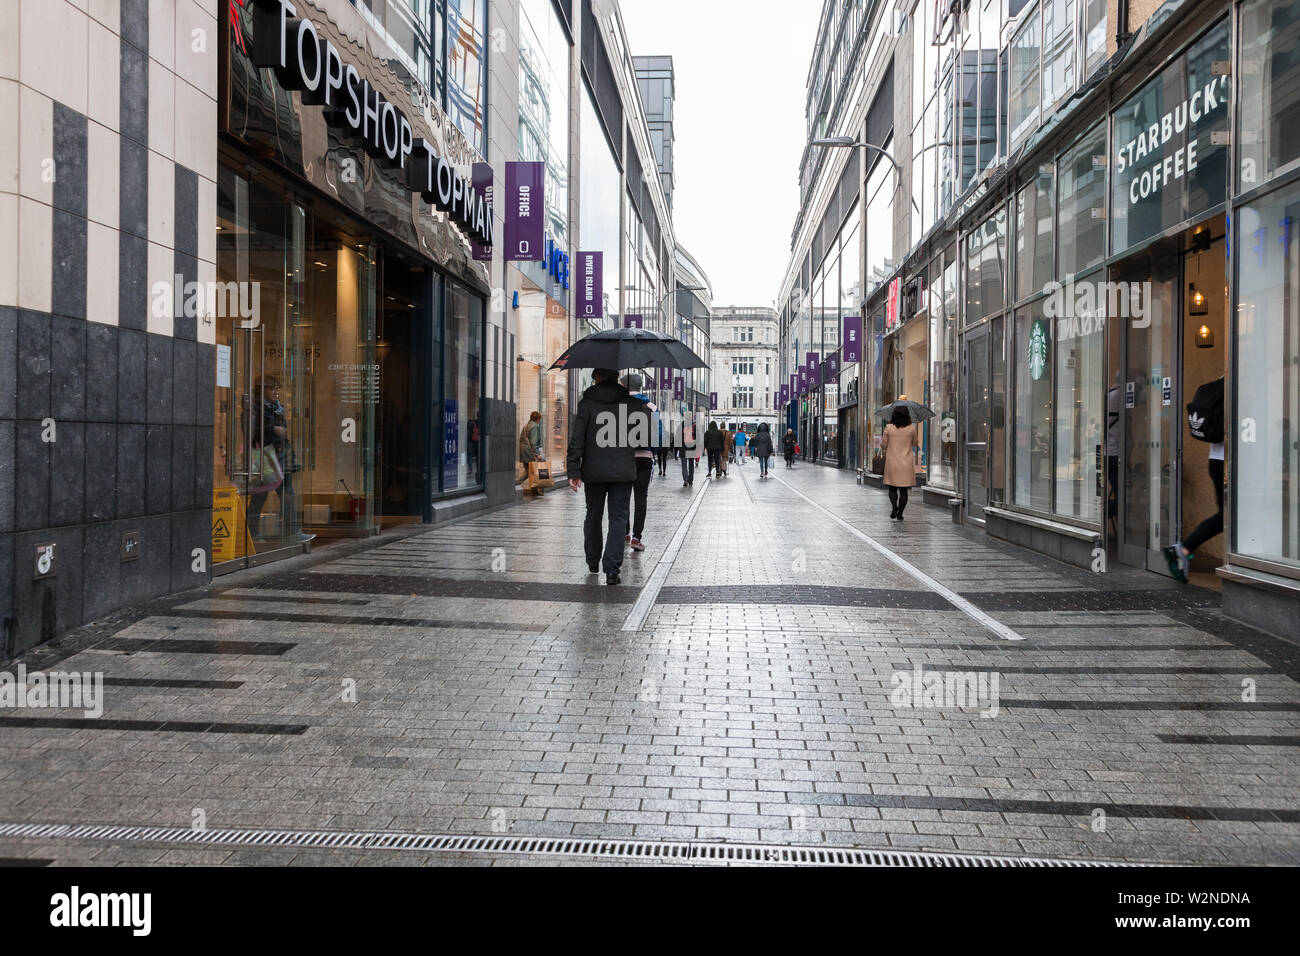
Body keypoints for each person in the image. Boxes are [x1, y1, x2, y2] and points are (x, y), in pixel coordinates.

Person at [567, 369, 648, 585]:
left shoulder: (587, 403)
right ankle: (612, 570)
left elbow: (577, 438)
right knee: (618, 518)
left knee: (593, 514)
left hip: (593, 470)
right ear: (617, 377)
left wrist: (573, 470)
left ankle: (593, 561)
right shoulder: (631, 404)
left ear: (597, 378)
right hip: (622, 470)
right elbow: (641, 436)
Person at [1164, 376, 1225, 583]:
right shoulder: (1242, 382)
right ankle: (1183, 548)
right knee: (1228, 515)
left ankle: (1184, 548)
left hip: (1216, 459)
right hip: (1233, 461)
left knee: (1228, 515)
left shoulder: (1218, 382)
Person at [245, 375, 312, 544]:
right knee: (260, 496)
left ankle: (292, 531)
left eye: (277, 388)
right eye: (272, 388)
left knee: (287, 494)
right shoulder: (255, 408)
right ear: (262, 390)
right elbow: (250, 431)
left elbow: (284, 435)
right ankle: (251, 533)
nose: (276, 392)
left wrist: (290, 456)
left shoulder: (277, 408)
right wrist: (272, 429)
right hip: (266, 459)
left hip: (281, 457)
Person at [623, 374, 654, 552]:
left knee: (624, 496)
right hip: (645, 457)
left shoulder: (620, 405)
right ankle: (637, 537)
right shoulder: (651, 406)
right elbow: (659, 435)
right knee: (641, 497)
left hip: (625, 457)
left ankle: (625, 533)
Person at [881, 406, 918, 520]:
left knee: (892, 488)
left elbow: (883, 444)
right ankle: (900, 513)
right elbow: (915, 443)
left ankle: (894, 507)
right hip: (906, 463)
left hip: (892, 463)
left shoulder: (889, 427)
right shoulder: (911, 428)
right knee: (904, 490)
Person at [519, 410, 545, 496]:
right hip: (529, 453)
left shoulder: (527, 425)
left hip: (524, 452)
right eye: (539, 419)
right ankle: (515, 484)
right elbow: (534, 442)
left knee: (531, 471)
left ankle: (535, 490)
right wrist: (538, 454)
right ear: (537, 419)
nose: (539, 421)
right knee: (529, 472)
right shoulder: (534, 427)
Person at [680, 418, 698, 486]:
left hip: (683, 448)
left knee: (684, 465)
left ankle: (685, 480)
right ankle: (690, 480)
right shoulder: (694, 426)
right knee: (691, 464)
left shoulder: (682, 425)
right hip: (691, 448)